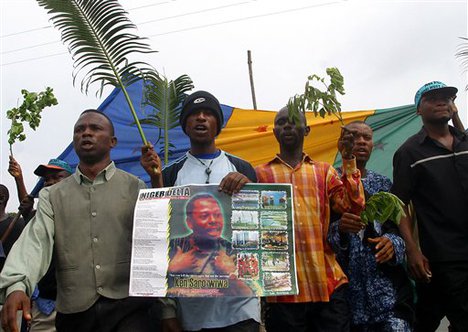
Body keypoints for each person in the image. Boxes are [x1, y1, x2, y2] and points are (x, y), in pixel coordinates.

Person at [0, 110, 156, 332]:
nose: (86, 133)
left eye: (95, 129)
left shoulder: (135, 187)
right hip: (74, 313)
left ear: (112, 142)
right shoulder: (52, 196)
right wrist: (16, 285)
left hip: (128, 309)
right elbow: (36, 241)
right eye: (79, 130)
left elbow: (151, 245)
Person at [141, 90, 260, 332]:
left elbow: (258, 230)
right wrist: (168, 310)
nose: (201, 118)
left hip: (241, 309)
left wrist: (248, 188)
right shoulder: (171, 174)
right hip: (192, 313)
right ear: (185, 125)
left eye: (208, 113)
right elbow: (158, 241)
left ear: (218, 124)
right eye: (194, 114)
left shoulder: (242, 167)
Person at [255, 107, 365, 332]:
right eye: (281, 122)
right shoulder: (258, 175)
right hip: (282, 291)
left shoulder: (325, 172)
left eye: (293, 121)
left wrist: (348, 159)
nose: (286, 125)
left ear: (306, 130)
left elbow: (351, 207)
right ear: (274, 132)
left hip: (327, 284)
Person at [392, 81, 468, 332]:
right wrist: (411, 250)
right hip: (444, 256)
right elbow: (399, 205)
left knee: (428, 315)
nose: (441, 102)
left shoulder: (465, 141)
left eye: (446, 97)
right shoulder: (410, 152)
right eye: (432, 98)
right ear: (418, 110)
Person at [328, 121, 414, 331]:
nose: (361, 142)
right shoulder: (328, 181)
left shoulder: (383, 183)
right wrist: (339, 228)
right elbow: (318, 232)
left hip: (387, 297)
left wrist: (393, 243)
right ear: (341, 143)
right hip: (345, 299)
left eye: (367, 138)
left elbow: (396, 227)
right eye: (355, 137)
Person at [8, 157, 74, 332]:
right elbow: (28, 212)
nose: (50, 182)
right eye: (47, 179)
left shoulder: (86, 214)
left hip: (79, 306)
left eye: (57, 177)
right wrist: (19, 178)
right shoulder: (40, 219)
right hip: (45, 306)